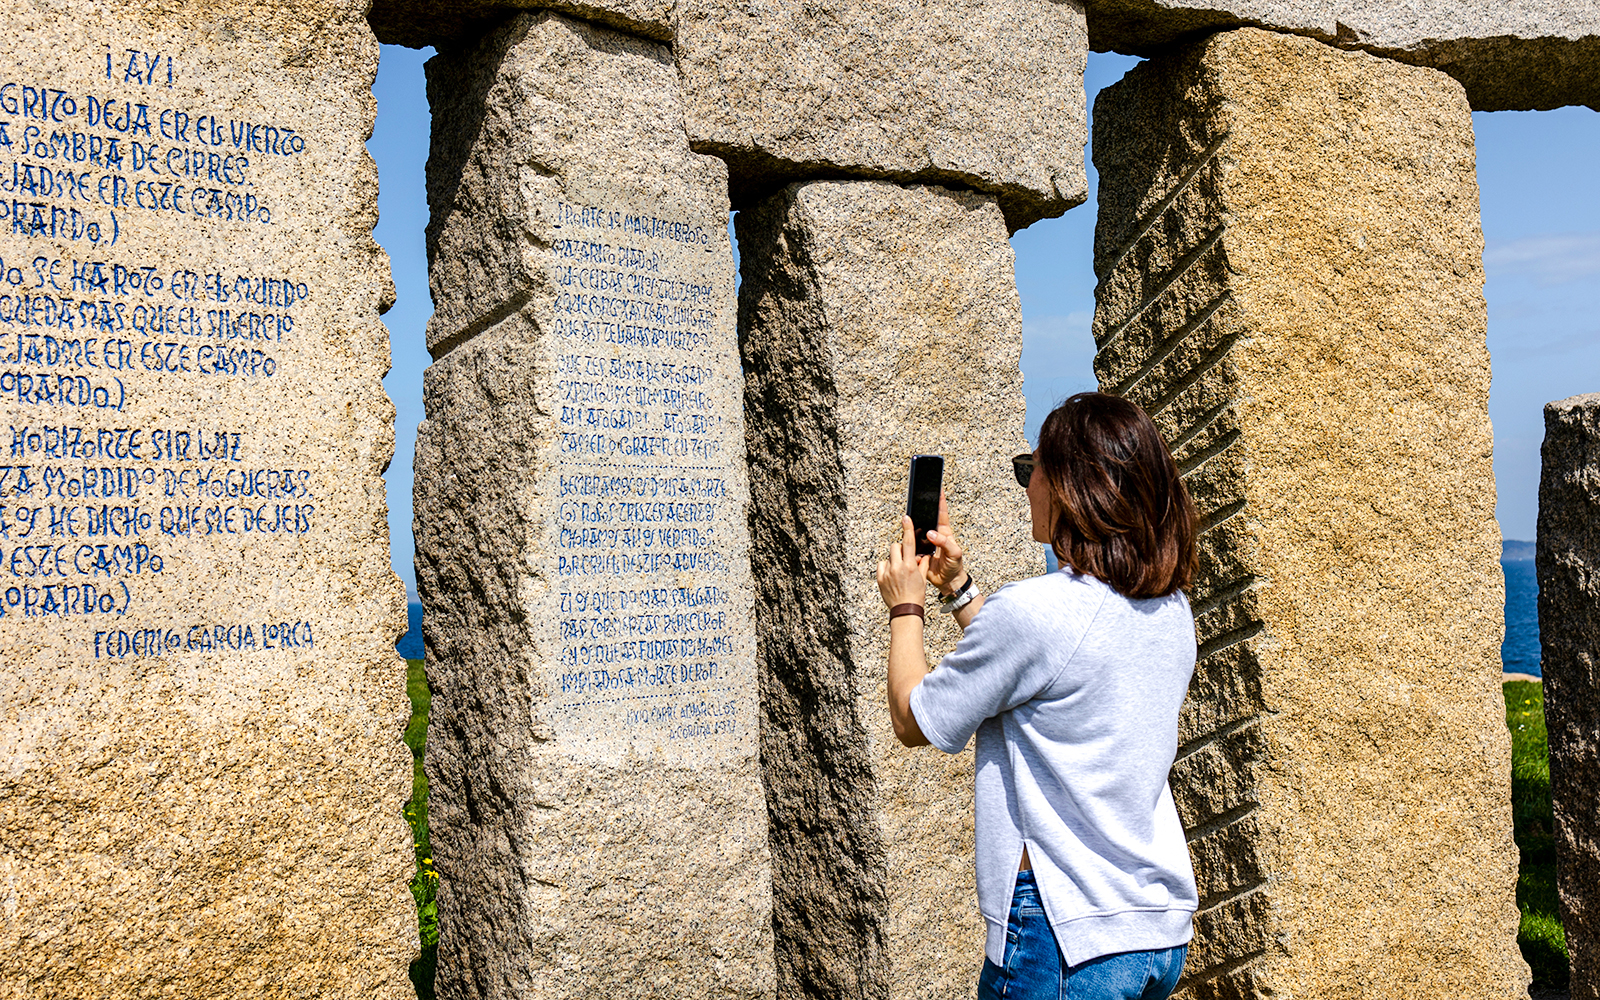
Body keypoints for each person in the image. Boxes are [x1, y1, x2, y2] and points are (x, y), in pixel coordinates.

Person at [875, 392, 1200, 1000]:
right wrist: (963, 592)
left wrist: (907, 605)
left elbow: (914, 716)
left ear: (1073, 486)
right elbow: (1052, 674)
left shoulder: (1037, 611)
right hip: (1153, 924)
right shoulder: (1171, 611)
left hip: (1062, 930)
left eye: (1032, 470)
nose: (1027, 487)